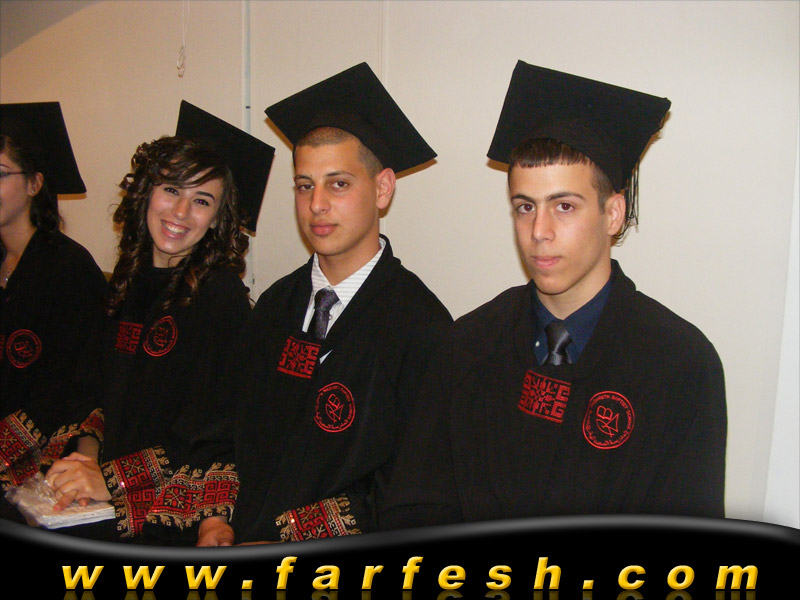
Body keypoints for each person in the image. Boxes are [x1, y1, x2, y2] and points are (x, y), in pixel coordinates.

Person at [380, 61, 727, 530]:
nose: (539, 231)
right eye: (525, 207)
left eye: (564, 206)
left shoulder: (678, 366)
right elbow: (415, 508)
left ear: (613, 214)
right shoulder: (469, 346)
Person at [197, 63, 453, 546]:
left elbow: (410, 488)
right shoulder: (273, 306)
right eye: (304, 185)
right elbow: (226, 429)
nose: (316, 204)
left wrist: (286, 542)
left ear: (382, 188)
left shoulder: (421, 327)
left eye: (338, 184)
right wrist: (215, 520)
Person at [42, 101, 275, 543]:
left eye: (201, 201)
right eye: (171, 190)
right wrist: (86, 460)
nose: (180, 212)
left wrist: (112, 481)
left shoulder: (220, 297)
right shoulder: (126, 282)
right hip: (100, 495)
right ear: (147, 192)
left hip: (167, 511)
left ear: (217, 219)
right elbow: (91, 389)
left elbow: (212, 431)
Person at [0, 102, 106, 492]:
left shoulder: (69, 270)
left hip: (42, 467)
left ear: (34, 184)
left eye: (0, 173)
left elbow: (68, 389)